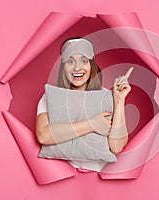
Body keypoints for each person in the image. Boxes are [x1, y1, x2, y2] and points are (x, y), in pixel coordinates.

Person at [35, 37, 131, 171]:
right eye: (70, 61)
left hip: (99, 176)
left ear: (91, 65)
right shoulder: (50, 97)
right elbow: (43, 136)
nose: (77, 68)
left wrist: (119, 100)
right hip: (62, 173)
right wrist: (93, 124)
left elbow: (116, 147)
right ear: (63, 66)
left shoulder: (107, 97)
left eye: (84, 61)